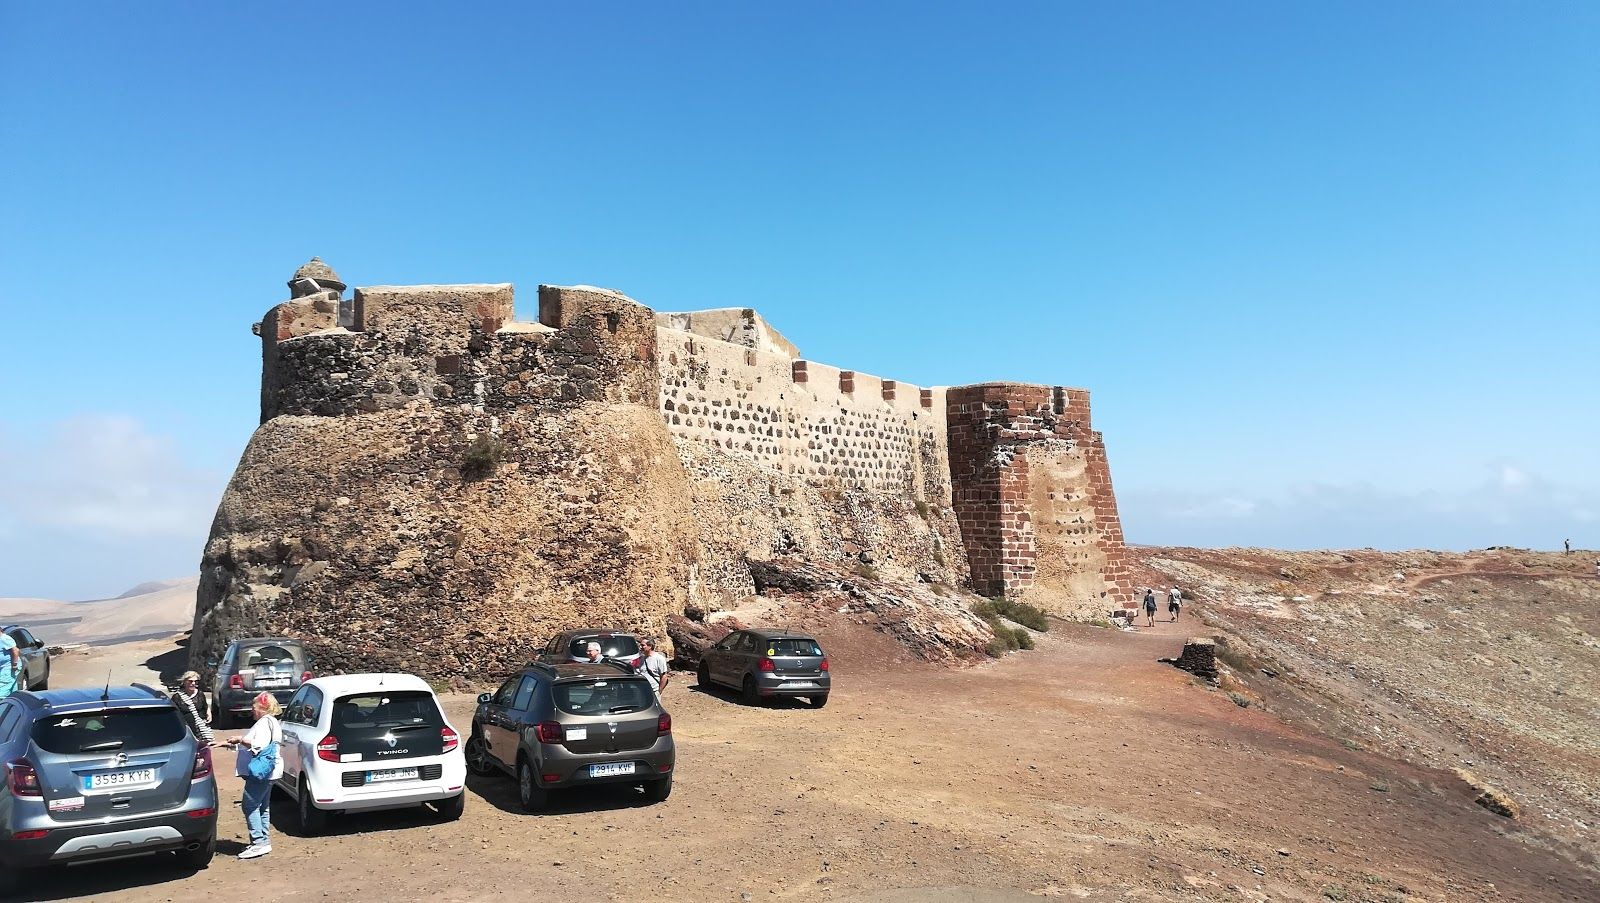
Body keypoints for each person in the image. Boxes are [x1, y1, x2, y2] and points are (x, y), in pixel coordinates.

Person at [225, 692, 283, 860]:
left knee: (249, 805)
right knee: (262, 806)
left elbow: (259, 744)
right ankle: (263, 840)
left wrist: (239, 739)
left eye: (254, 707)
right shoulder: (272, 722)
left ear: (263, 707)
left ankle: (258, 842)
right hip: (270, 771)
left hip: (260, 773)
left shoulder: (265, 722)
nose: (252, 710)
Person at [172, 671, 214, 745]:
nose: (193, 683)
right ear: (184, 682)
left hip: (201, 730)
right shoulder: (177, 697)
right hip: (187, 729)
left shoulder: (200, 694)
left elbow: (205, 706)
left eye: (195, 681)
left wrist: (209, 713)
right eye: (190, 681)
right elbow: (174, 713)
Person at [0, 631, 18, 699]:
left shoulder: (4, 639)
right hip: (3, 667)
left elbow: (15, 650)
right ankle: (13, 701)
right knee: (12, 686)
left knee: (3, 688)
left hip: (8, 666)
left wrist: (14, 664)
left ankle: (2, 705)